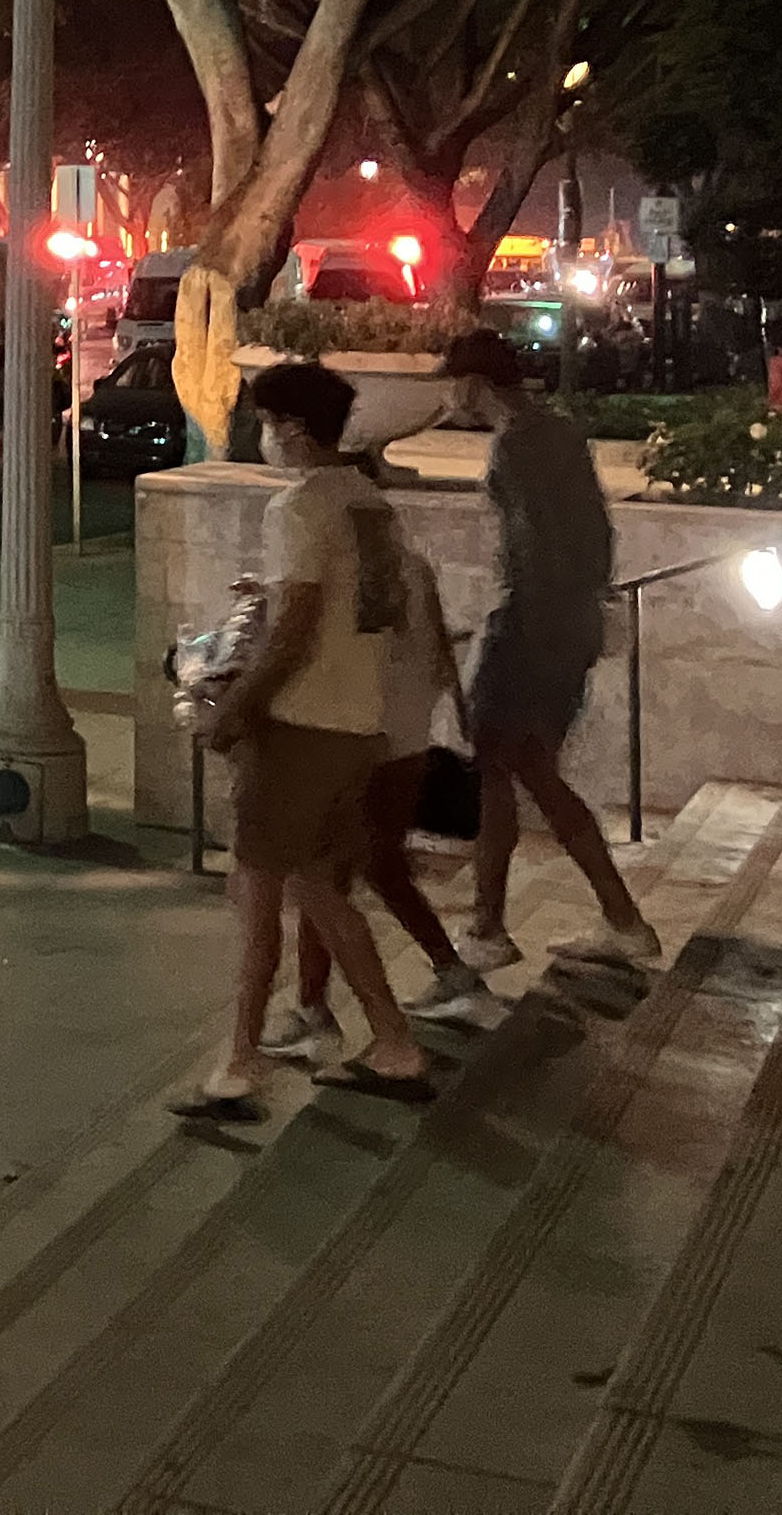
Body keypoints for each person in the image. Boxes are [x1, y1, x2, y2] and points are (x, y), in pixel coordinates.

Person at [174, 358, 435, 1118]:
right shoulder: (370, 503)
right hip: (359, 724)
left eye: (266, 423)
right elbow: (369, 615)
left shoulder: (299, 508)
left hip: (300, 728)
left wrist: (237, 710)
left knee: (255, 891)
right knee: (321, 886)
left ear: (290, 430)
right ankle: (394, 1043)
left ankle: (240, 1062)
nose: (265, 438)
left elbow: (293, 630)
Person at [439, 329, 657, 969]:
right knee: (526, 771)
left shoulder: (514, 446)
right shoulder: (558, 432)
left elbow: (534, 544)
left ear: (474, 384)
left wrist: (515, 625)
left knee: (501, 768)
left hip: (533, 627)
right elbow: (594, 531)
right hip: (570, 625)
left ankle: (492, 928)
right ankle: (608, 919)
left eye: (452, 381)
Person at [274, 532, 492, 1061]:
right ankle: (450, 972)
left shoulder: (340, 570)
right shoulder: (412, 565)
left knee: (322, 875)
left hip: (365, 745)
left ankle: (320, 1013)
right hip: (408, 742)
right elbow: (439, 657)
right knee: (380, 867)